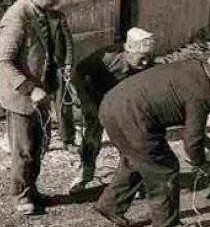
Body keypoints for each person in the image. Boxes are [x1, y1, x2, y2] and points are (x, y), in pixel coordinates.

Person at [93, 53, 210, 227]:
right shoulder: (203, 95)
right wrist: (203, 164)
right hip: (133, 115)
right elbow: (191, 140)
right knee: (164, 168)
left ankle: (110, 205)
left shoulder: (192, 67)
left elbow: (188, 120)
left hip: (111, 104)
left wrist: (207, 141)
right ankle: (165, 223)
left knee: (136, 159)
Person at [0, 0, 73, 215]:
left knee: (40, 145)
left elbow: (66, 39)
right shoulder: (16, 18)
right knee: (24, 149)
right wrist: (30, 89)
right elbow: (2, 62)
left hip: (43, 90)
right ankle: (21, 196)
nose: (58, 1)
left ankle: (32, 189)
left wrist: (68, 63)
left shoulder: (49, 12)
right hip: (21, 95)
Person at [67, 28, 156, 193]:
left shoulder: (148, 64)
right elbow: (77, 75)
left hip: (123, 102)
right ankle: (85, 174)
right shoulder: (105, 59)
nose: (145, 64)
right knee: (92, 136)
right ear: (128, 52)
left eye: (148, 58)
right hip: (96, 95)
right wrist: (88, 104)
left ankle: (132, 179)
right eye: (142, 59)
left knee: (131, 139)